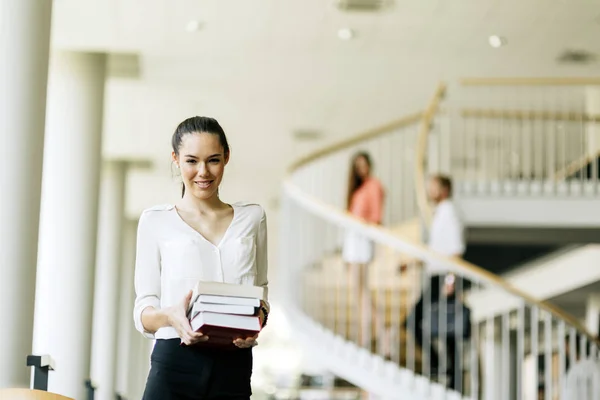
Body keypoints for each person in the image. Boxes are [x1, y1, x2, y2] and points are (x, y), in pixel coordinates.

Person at [133, 116, 270, 400]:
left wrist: (260, 318)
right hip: (175, 361)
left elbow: (262, 292)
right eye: (192, 161)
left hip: (234, 365)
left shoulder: (252, 218)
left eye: (213, 160)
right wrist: (171, 316)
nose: (203, 172)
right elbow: (144, 312)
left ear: (227, 157)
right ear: (176, 159)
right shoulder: (155, 221)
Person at [402, 174, 466, 391]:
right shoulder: (440, 214)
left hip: (443, 278)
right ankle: (446, 372)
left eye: (434, 187)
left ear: (444, 190)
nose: (429, 191)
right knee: (443, 329)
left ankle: (447, 373)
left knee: (422, 323)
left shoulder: (448, 212)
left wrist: (450, 281)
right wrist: (410, 264)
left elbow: (455, 251)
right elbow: (435, 252)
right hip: (436, 276)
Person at [342, 151, 384, 346]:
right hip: (352, 239)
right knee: (358, 289)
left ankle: (375, 332)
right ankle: (371, 332)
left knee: (362, 288)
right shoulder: (356, 188)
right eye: (358, 166)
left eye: (364, 164)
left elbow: (376, 216)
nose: (362, 169)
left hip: (362, 239)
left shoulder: (374, 185)